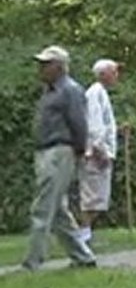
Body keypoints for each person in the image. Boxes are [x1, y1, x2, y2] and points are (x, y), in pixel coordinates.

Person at [22, 46, 97, 271]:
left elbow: (79, 123)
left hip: (60, 151)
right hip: (46, 151)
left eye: (46, 64)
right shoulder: (50, 91)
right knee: (58, 211)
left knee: (43, 207)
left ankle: (32, 262)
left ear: (60, 66)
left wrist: (80, 150)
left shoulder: (70, 90)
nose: (41, 68)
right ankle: (83, 258)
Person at [77, 58, 120, 244]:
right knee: (92, 198)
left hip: (99, 152)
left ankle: (85, 235)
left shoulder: (100, 93)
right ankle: (82, 236)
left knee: (99, 198)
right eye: (114, 72)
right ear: (103, 74)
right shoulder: (95, 93)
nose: (116, 76)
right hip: (95, 154)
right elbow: (94, 125)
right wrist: (100, 150)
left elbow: (105, 123)